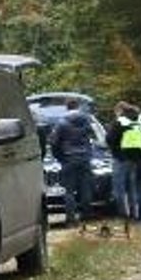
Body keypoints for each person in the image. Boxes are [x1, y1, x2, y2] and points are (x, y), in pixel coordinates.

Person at [49, 97, 97, 228]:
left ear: (67, 107)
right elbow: (92, 138)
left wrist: (60, 157)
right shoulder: (87, 120)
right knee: (85, 187)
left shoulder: (61, 123)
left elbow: (54, 143)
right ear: (77, 106)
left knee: (69, 190)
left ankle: (71, 219)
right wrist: (88, 153)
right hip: (85, 158)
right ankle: (86, 215)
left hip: (68, 158)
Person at [114, 103, 141, 223]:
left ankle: (138, 217)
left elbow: (112, 140)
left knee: (136, 190)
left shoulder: (127, 124)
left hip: (134, 161)